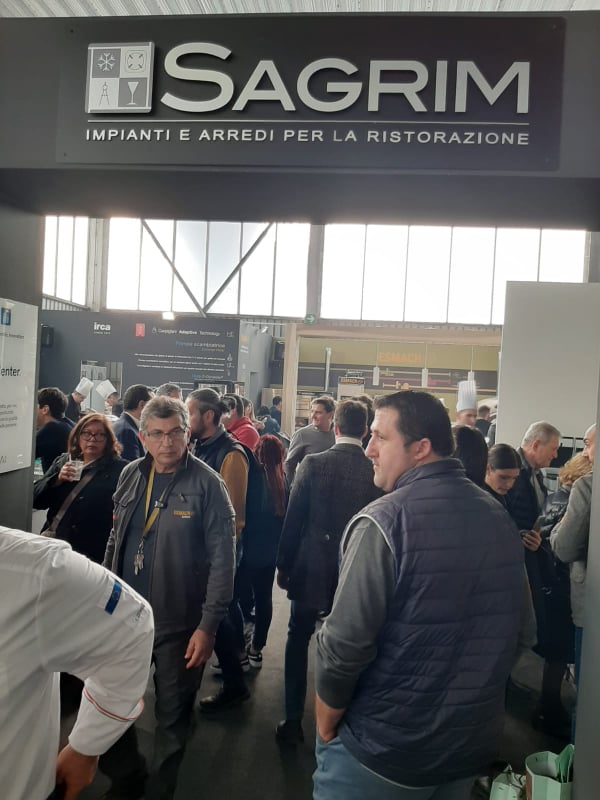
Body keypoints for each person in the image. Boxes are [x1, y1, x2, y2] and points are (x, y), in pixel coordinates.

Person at [313, 391, 525, 800]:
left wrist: (326, 717)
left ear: (421, 448)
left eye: (380, 437)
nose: (368, 449)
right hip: (466, 748)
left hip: (381, 751)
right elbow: (520, 633)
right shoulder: (499, 517)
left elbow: (343, 646)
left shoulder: (384, 522)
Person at [102, 396, 236, 800]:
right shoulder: (131, 475)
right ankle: (128, 776)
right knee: (109, 703)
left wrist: (208, 626)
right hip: (126, 618)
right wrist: (102, 599)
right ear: (143, 437)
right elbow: (114, 540)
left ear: (187, 434)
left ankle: (160, 791)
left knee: (172, 717)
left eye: (175, 432)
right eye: (157, 434)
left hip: (179, 624)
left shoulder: (208, 485)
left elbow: (223, 562)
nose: (167, 442)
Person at [0, 526, 153, 800]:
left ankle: (130, 776)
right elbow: (116, 537)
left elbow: (133, 622)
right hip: (67, 623)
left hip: (73, 607)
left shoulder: (33, 572)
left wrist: (86, 746)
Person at [276, 400, 380, 745]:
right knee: (352, 646)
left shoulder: (313, 464)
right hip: (357, 571)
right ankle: (340, 724)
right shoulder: (375, 470)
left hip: (311, 567)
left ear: (335, 427)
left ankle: (293, 720)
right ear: (365, 430)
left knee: (297, 637)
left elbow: (294, 519)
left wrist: (284, 565)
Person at [186, 388, 252, 711]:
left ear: (208, 416)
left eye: (190, 413)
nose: (186, 420)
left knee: (219, 611)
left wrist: (218, 557)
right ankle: (235, 664)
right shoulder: (201, 446)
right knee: (225, 609)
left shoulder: (231, 454)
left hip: (220, 549)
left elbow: (233, 518)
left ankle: (235, 684)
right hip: (202, 547)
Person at [506, 420, 566, 737]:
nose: (555, 456)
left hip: (529, 557)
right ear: (535, 445)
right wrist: (520, 537)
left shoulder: (535, 475)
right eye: (553, 449)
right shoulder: (513, 473)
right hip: (515, 562)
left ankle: (509, 681)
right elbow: (505, 516)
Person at [33, 413, 127, 564]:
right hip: (56, 543)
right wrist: (56, 480)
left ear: (108, 440)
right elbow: (36, 500)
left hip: (92, 550)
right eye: (86, 433)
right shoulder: (64, 461)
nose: (92, 439)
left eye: (100, 435)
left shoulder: (120, 469)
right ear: (77, 437)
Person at [551, 423, 596, 731]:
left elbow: (565, 547)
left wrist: (556, 530)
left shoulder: (587, 487)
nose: (585, 452)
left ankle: (579, 758)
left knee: (588, 695)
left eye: (589, 444)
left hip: (590, 605)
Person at [240, 434, 288, 668]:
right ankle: (257, 650)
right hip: (269, 554)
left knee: (240, 599)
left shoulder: (252, 480)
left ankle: (240, 647)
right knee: (264, 599)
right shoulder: (283, 481)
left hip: (247, 552)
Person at [284, 396, 335, 484]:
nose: (313, 416)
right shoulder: (302, 434)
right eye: (312, 411)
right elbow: (289, 464)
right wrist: (289, 487)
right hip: (308, 486)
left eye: (318, 412)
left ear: (330, 415)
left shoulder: (339, 434)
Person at [35, 386, 74, 472]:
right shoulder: (69, 424)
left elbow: (24, 455)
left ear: (45, 409)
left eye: (35, 407)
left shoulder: (52, 428)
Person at [113, 384, 153, 462]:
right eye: (153, 405)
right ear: (142, 405)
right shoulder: (126, 432)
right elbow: (132, 467)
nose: (156, 409)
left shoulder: (128, 426)